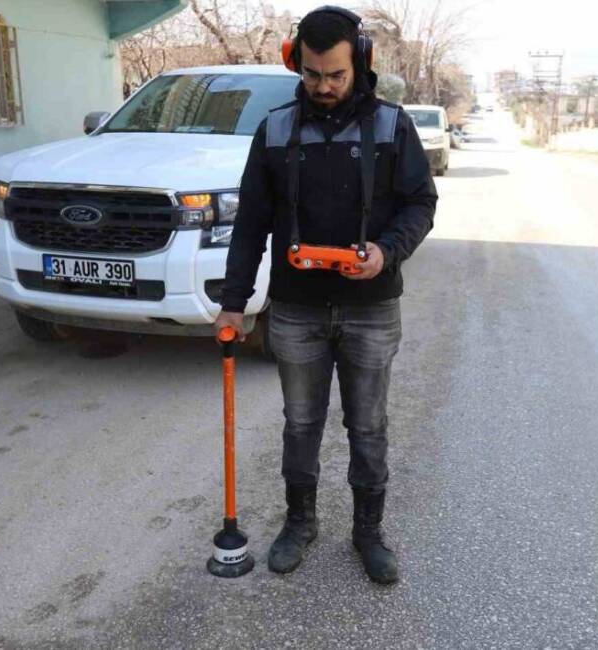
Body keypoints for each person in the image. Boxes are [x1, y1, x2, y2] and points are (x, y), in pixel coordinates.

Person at [215, 5, 437, 585]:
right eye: (312, 75)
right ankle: (300, 522)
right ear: (298, 64)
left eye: (336, 75)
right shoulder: (278, 129)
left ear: (359, 64)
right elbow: (250, 224)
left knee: (367, 425)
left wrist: (387, 251)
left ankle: (368, 532)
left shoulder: (393, 126)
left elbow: (421, 204)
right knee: (300, 423)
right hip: (295, 308)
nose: (324, 87)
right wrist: (235, 302)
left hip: (372, 308)